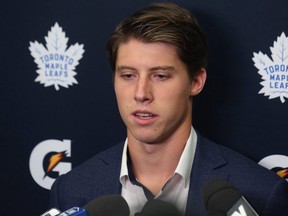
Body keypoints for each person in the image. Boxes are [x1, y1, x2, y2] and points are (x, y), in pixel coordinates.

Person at [49, 2, 288, 216]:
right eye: (128, 75)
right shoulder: (71, 191)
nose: (141, 93)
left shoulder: (259, 192)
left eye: (160, 76)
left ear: (196, 81)